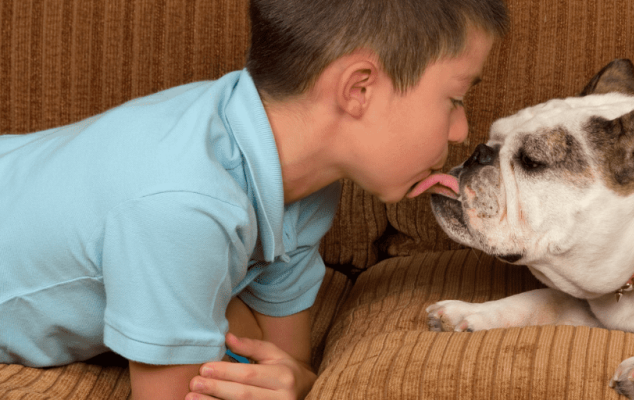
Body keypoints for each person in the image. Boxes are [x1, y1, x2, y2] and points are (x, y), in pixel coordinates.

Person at [0, 0, 509, 399]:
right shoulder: (185, 207)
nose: (463, 131)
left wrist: (301, 382)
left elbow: (284, 364)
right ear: (359, 89)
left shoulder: (301, 184)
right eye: (455, 99)